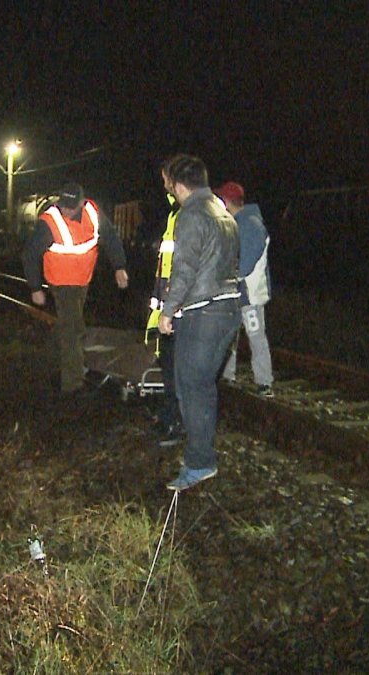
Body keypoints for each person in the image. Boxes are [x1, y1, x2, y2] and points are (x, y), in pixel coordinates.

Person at [157, 155, 240, 491]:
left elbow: (185, 268)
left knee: (189, 389)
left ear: (178, 185)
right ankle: (201, 457)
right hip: (227, 310)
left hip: (203, 313)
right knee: (202, 387)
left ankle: (199, 463)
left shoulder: (191, 214)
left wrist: (168, 310)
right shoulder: (222, 212)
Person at [23, 182, 129, 395]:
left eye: (72, 206)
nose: (67, 210)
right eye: (64, 205)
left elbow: (110, 238)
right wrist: (36, 288)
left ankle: (58, 363)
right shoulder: (49, 222)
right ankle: (72, 385)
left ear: (82, 202)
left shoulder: (93, 213)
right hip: (62, 283)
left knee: (69, 326)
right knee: (73, 330)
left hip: (84, 280)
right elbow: (30, 255)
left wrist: (119, 266)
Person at [215, 181, 275, 398]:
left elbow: (245, 263)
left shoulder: (248, 225)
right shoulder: (241, 222)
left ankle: (264, 382)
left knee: (254, 335)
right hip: (239, 291)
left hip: (249, 293)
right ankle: (230, 376)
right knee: (234, 335)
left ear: (227, 201)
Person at [145, 166, 184, 447]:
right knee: (171, 370)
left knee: (178, 373)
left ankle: (177, 424)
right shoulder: (175, 214)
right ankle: (169, 418)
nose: (163, 185)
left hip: (181, 313)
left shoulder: (188, 216)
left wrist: (169, 310)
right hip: (171, 310)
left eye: (165, 180)